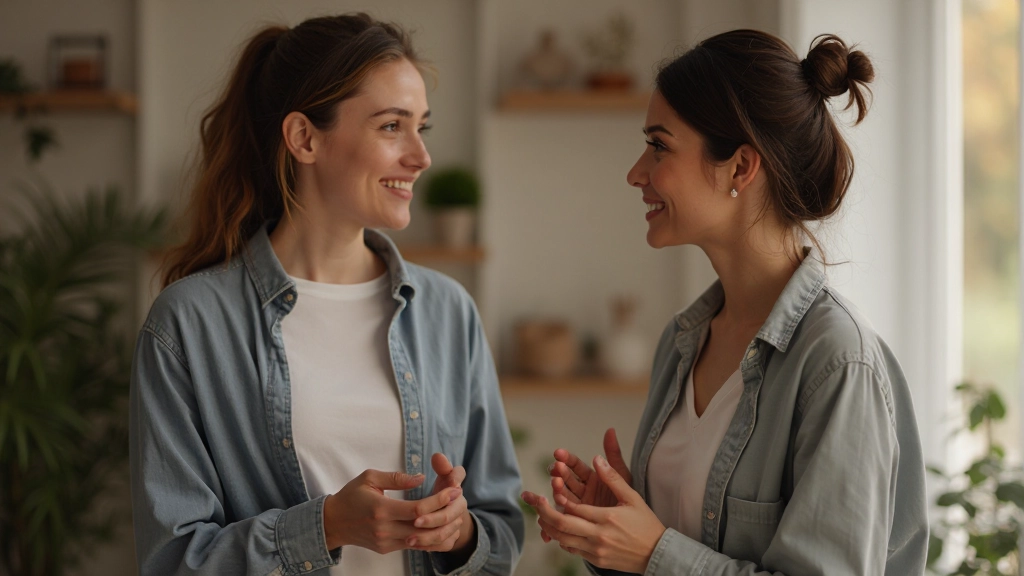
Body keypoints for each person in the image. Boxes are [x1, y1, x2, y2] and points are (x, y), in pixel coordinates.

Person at [522, 29, 928, 575]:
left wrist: (652, 551)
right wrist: (614, 535)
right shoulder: (682, 341)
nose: (636, 172)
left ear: (740, 167)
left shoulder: (836, 363)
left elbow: (667, 555)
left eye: (659, 145)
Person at [130, 13, 523, 576]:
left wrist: (461, 534)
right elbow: (171, 562)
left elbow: (500, 532)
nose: (421, 156)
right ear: (304, 138)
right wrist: (326, 527)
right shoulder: (189, 326)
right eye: (392, 126)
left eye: (422, 127)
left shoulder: (447, 312)